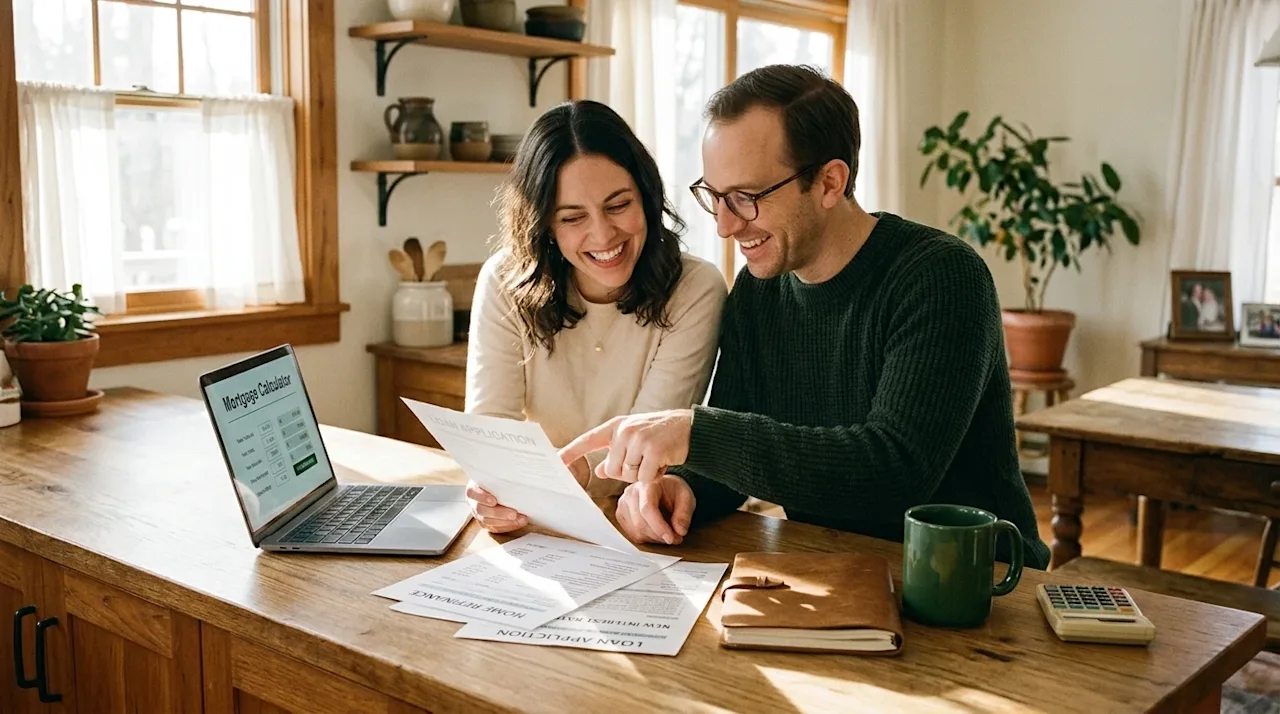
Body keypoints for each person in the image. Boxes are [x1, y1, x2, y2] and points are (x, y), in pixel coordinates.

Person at [559, 64, 1052, 570]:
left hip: (979, 584)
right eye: (715, 196)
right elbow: (735, 464)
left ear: (830, 182)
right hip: (833, 571)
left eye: (746, 198)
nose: (726, 226)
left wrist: (696, 433)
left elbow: (894, 472)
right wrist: (679, 489)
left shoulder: (942, 276)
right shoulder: (760, 288)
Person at [463, 100, 728, 533]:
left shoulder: (696, 288)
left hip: (634, 520)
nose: (603, 235)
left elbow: (643, 445)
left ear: (646, 195)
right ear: (545, 224)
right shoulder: (504, 279)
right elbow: (490, 428)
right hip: (538, 523)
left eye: (618, 205)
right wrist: (490, 488)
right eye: (572, 217)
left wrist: (568, 474)